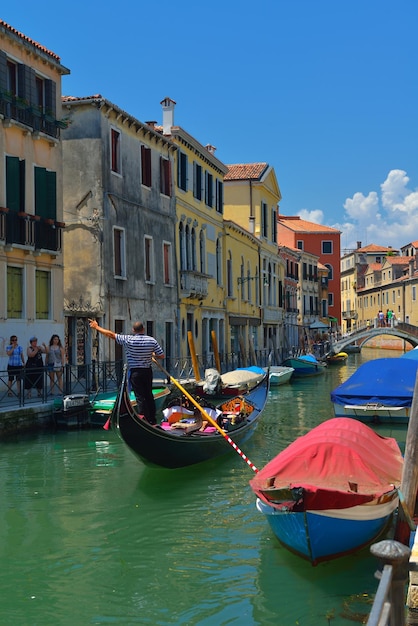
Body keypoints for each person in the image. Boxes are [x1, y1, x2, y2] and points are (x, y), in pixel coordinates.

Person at [89, 319, 164, 424]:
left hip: (135, 372)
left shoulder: (128, 339)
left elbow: (111, 335)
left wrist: (97, 327)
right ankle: (152, 419)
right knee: (149, 395)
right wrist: (152, 355)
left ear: (133, 330)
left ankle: (144, 420)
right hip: (147, 371)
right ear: (144, 329)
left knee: (140, 396)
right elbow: (161, 355)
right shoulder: (151, 340)